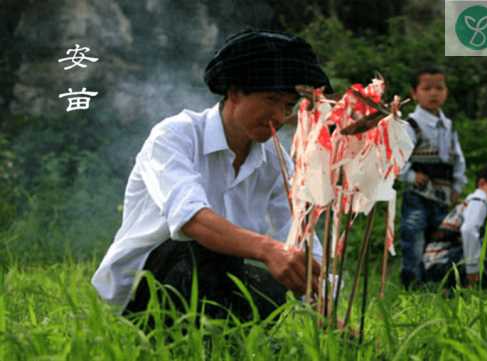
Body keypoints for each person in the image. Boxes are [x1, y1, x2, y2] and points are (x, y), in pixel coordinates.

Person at [91, 30, 333, 322]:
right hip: (146, 283)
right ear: (234, 92)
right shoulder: (174, 135)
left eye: (287, 106)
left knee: (276, 285)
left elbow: (297, 234)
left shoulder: (275, 158)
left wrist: (325, 307)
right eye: (271, 99)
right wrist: (268, 249)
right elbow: (191, 218)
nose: (279, 116)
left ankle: (226, 343)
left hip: (219, 278)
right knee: (203, 254)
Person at [399, 65, 467, 288]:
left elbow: (457, 159)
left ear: (446, 91)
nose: (433, 93)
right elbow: (397, 157)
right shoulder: (411, 125)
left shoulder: (448, 125)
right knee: (414, 237)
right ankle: (411, 283)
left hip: (443, 196)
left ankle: (434, 283)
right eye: (427, 88)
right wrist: (409, 175)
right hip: (418, 196)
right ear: (414, 93)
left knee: (438, 240)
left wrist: (457, 185)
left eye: (439, 88)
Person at [422, 164, 487, 288]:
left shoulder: (485, 207)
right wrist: (473, 268)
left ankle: (464, 289)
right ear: (482, 184)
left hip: (445, 260)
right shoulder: (479, 202)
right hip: (440, 261)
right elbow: (468, 230)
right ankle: (478, 286)